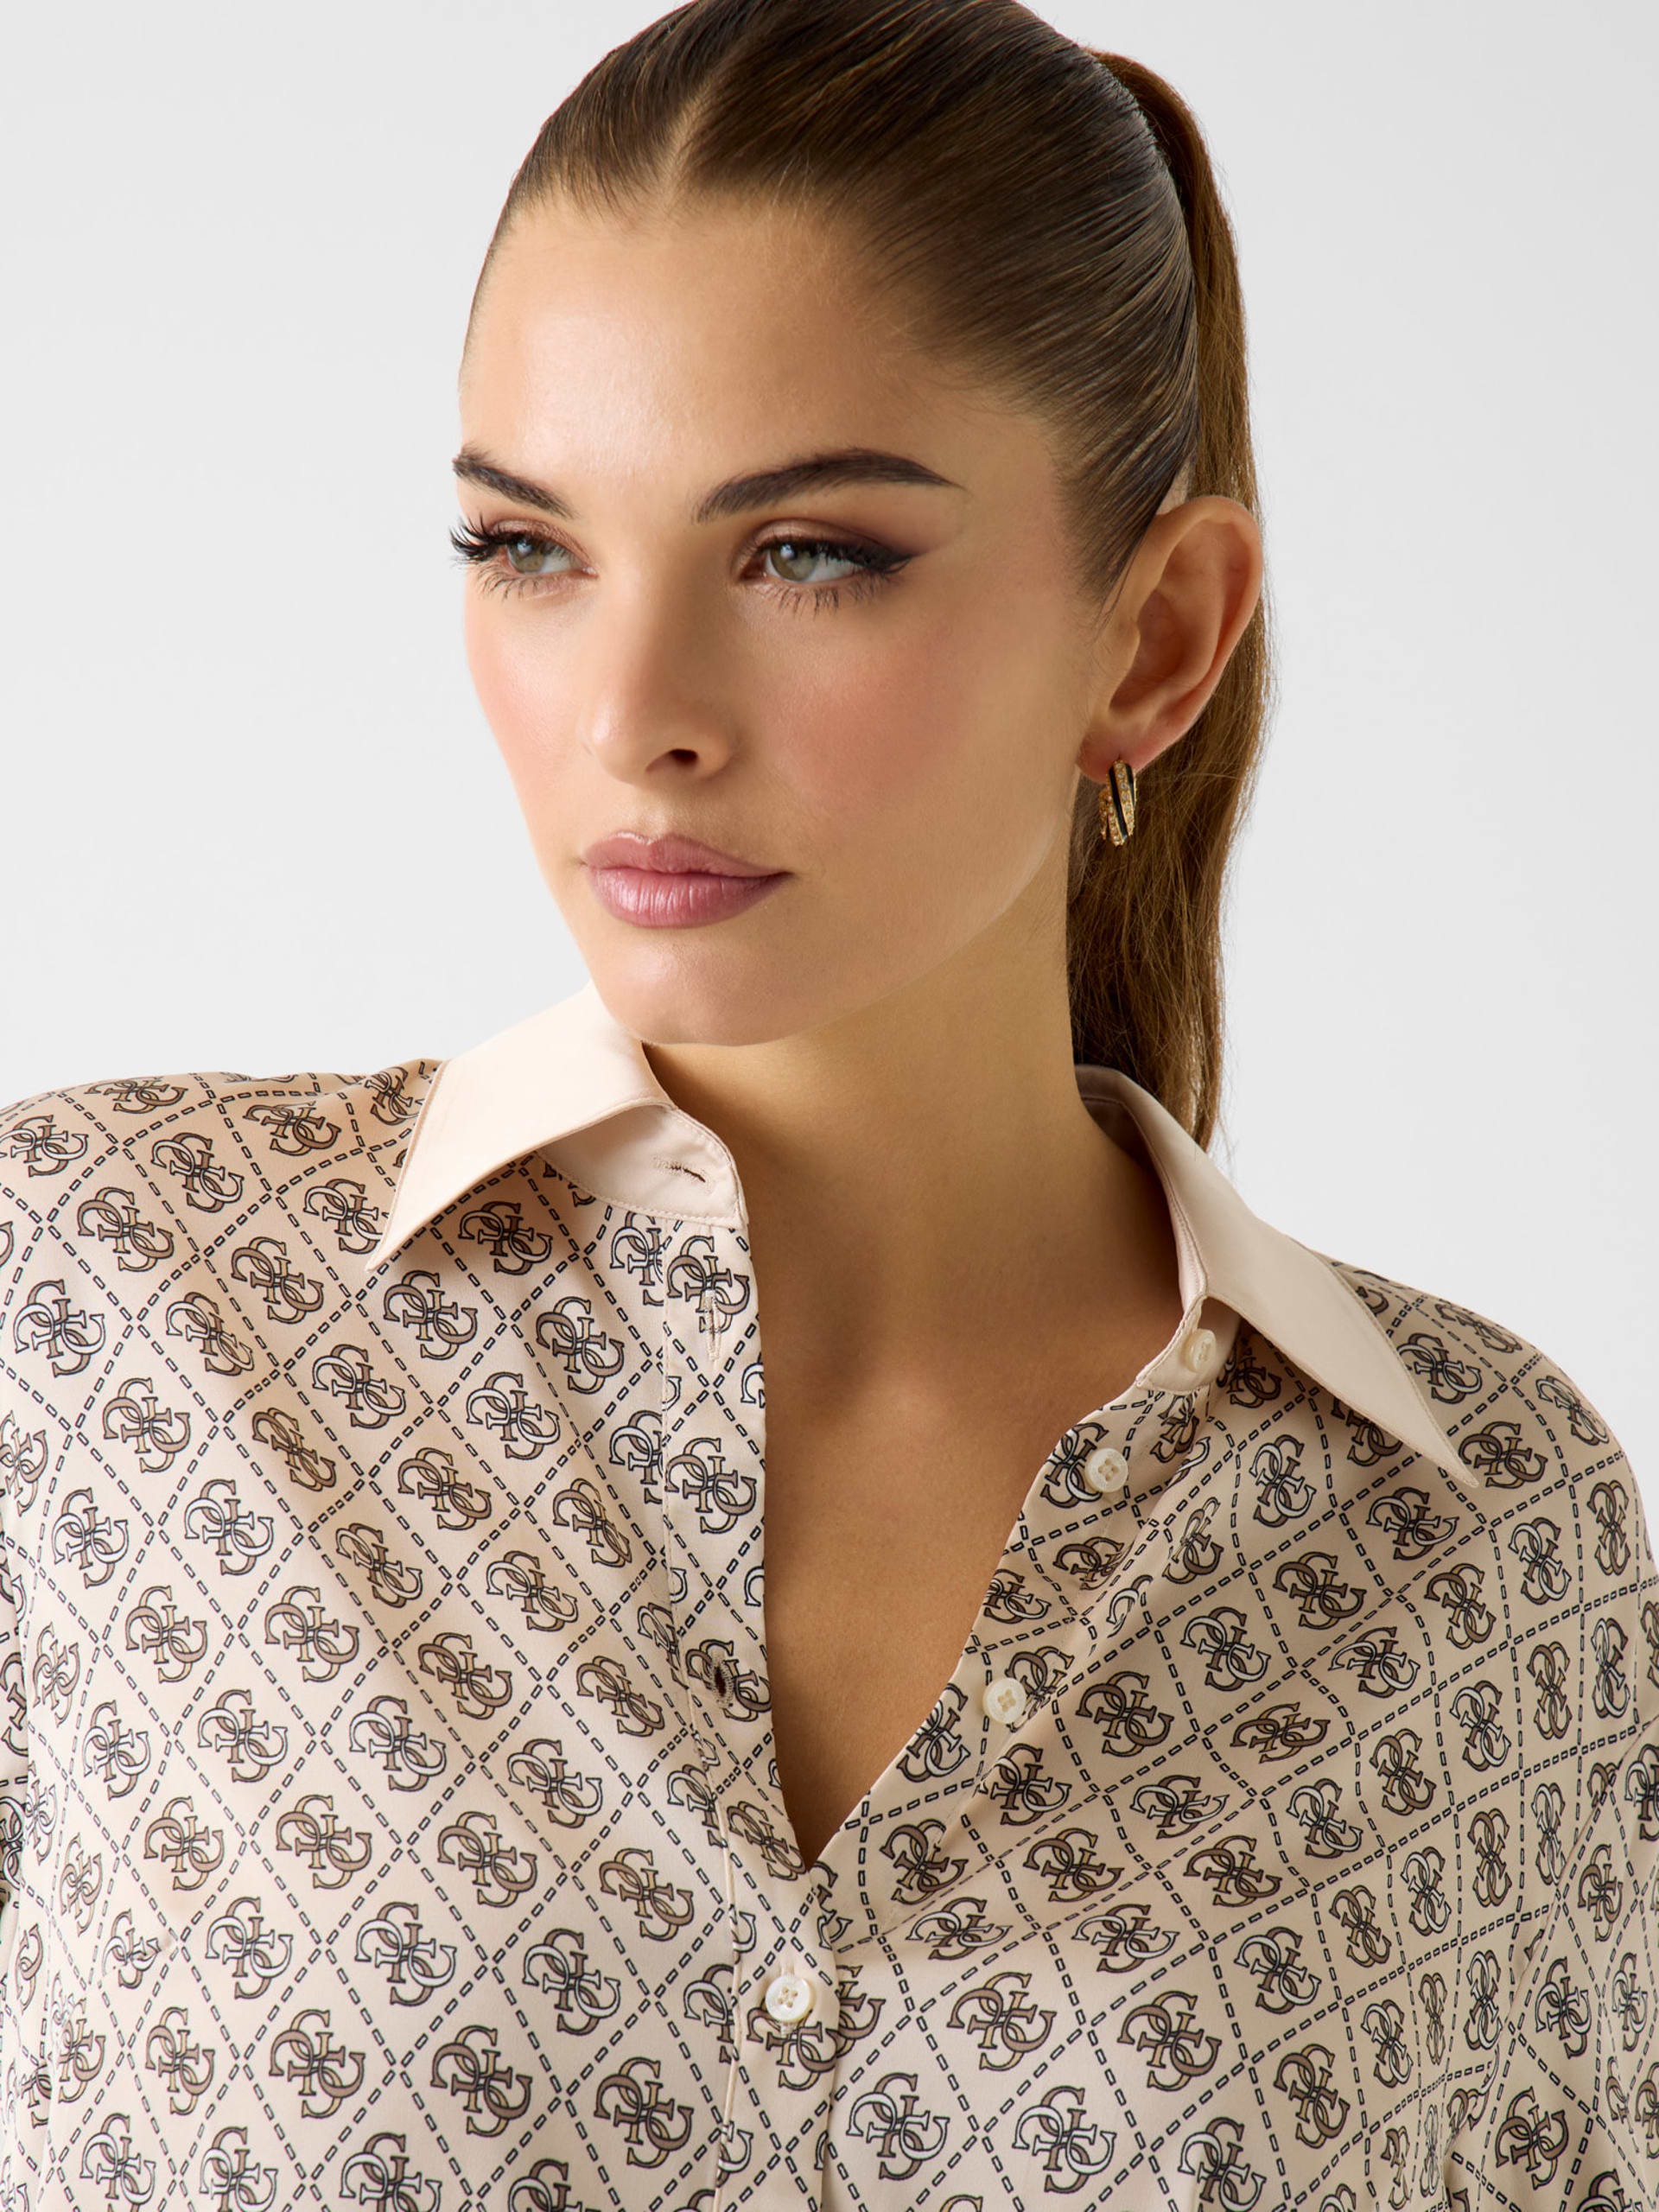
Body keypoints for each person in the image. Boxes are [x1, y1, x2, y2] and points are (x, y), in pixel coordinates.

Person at [0, 1, 1651, 2204]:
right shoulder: (98, 1310)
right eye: (528, 548)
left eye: (808, 555)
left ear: (1158, 636)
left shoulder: (1488, 1533)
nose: (635, 714)